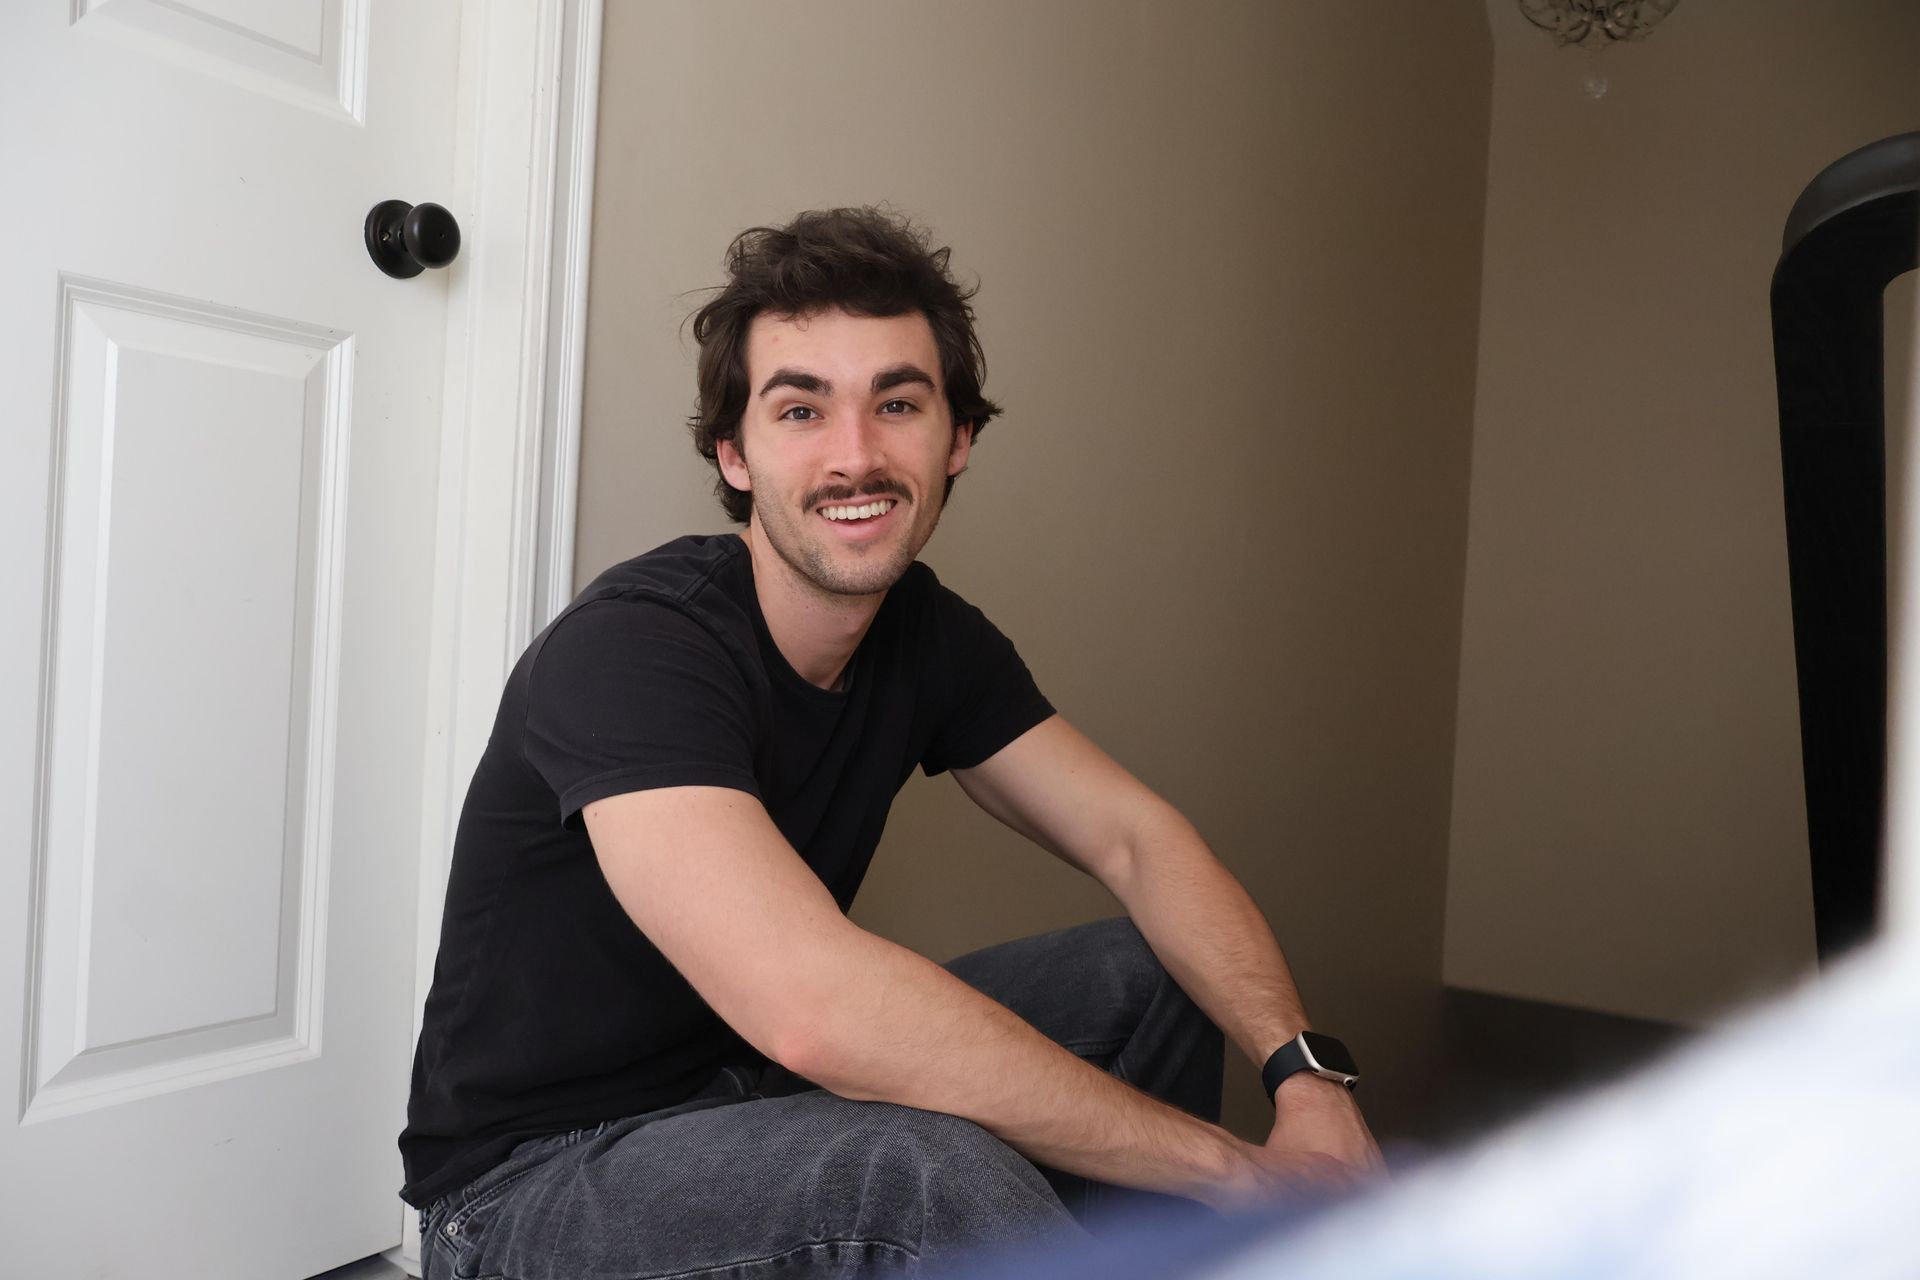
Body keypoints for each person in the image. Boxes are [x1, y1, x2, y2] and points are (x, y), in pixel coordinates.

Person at [398, 205, 1384, 1279]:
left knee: (1152, 972)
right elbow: (809, 1004)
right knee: (914, 1169)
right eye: (801, 409)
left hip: (753, 1097)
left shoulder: (930, 635)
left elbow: (1138, 840)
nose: (856, 455)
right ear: (734, 454)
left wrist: (1305, 1080)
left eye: (898, 403)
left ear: (956, 437)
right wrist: (1233, 1169)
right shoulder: (636, 648)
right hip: (527, 1184)